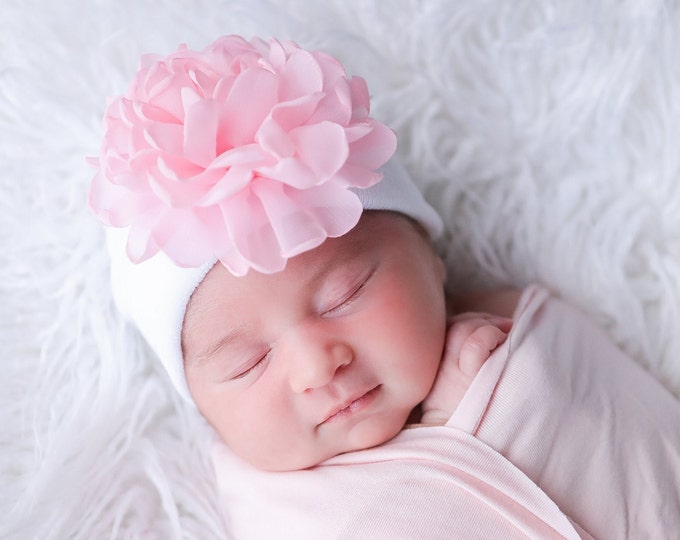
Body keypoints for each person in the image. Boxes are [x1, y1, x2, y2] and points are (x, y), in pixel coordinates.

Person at [90, 35, 680, 539]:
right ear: (204, 407)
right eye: (248, 363)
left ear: (432, 258)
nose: (317, 367)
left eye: (344, 294)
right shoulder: (270, 510)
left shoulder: (526, 348)